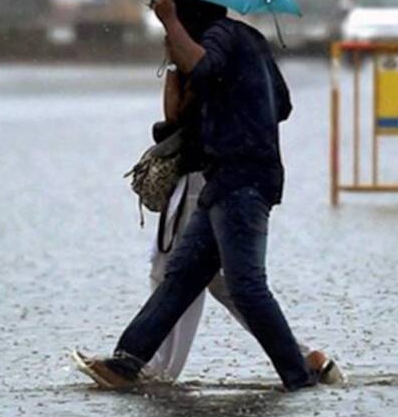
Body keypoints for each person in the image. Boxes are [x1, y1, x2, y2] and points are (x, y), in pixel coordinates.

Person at [78, 0, 320, 392]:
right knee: (182, 277)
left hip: (243, 180)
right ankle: (125, 364)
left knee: (245, 286)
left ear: (189, 14)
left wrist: (170, 22)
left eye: (176, 15)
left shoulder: (222, 35)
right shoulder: (246, 41)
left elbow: (204, 68)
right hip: (225, 179)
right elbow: (280, 105)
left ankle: (298, 376)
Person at [145, 45, 342, 385]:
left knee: (175, 270)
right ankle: (302, 356)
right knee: (218, 280)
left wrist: (175, 59)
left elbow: (176, 116)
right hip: (212, 177)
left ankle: (153, 367)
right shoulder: (224, 50)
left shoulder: (208, 53)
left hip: (205, 178)